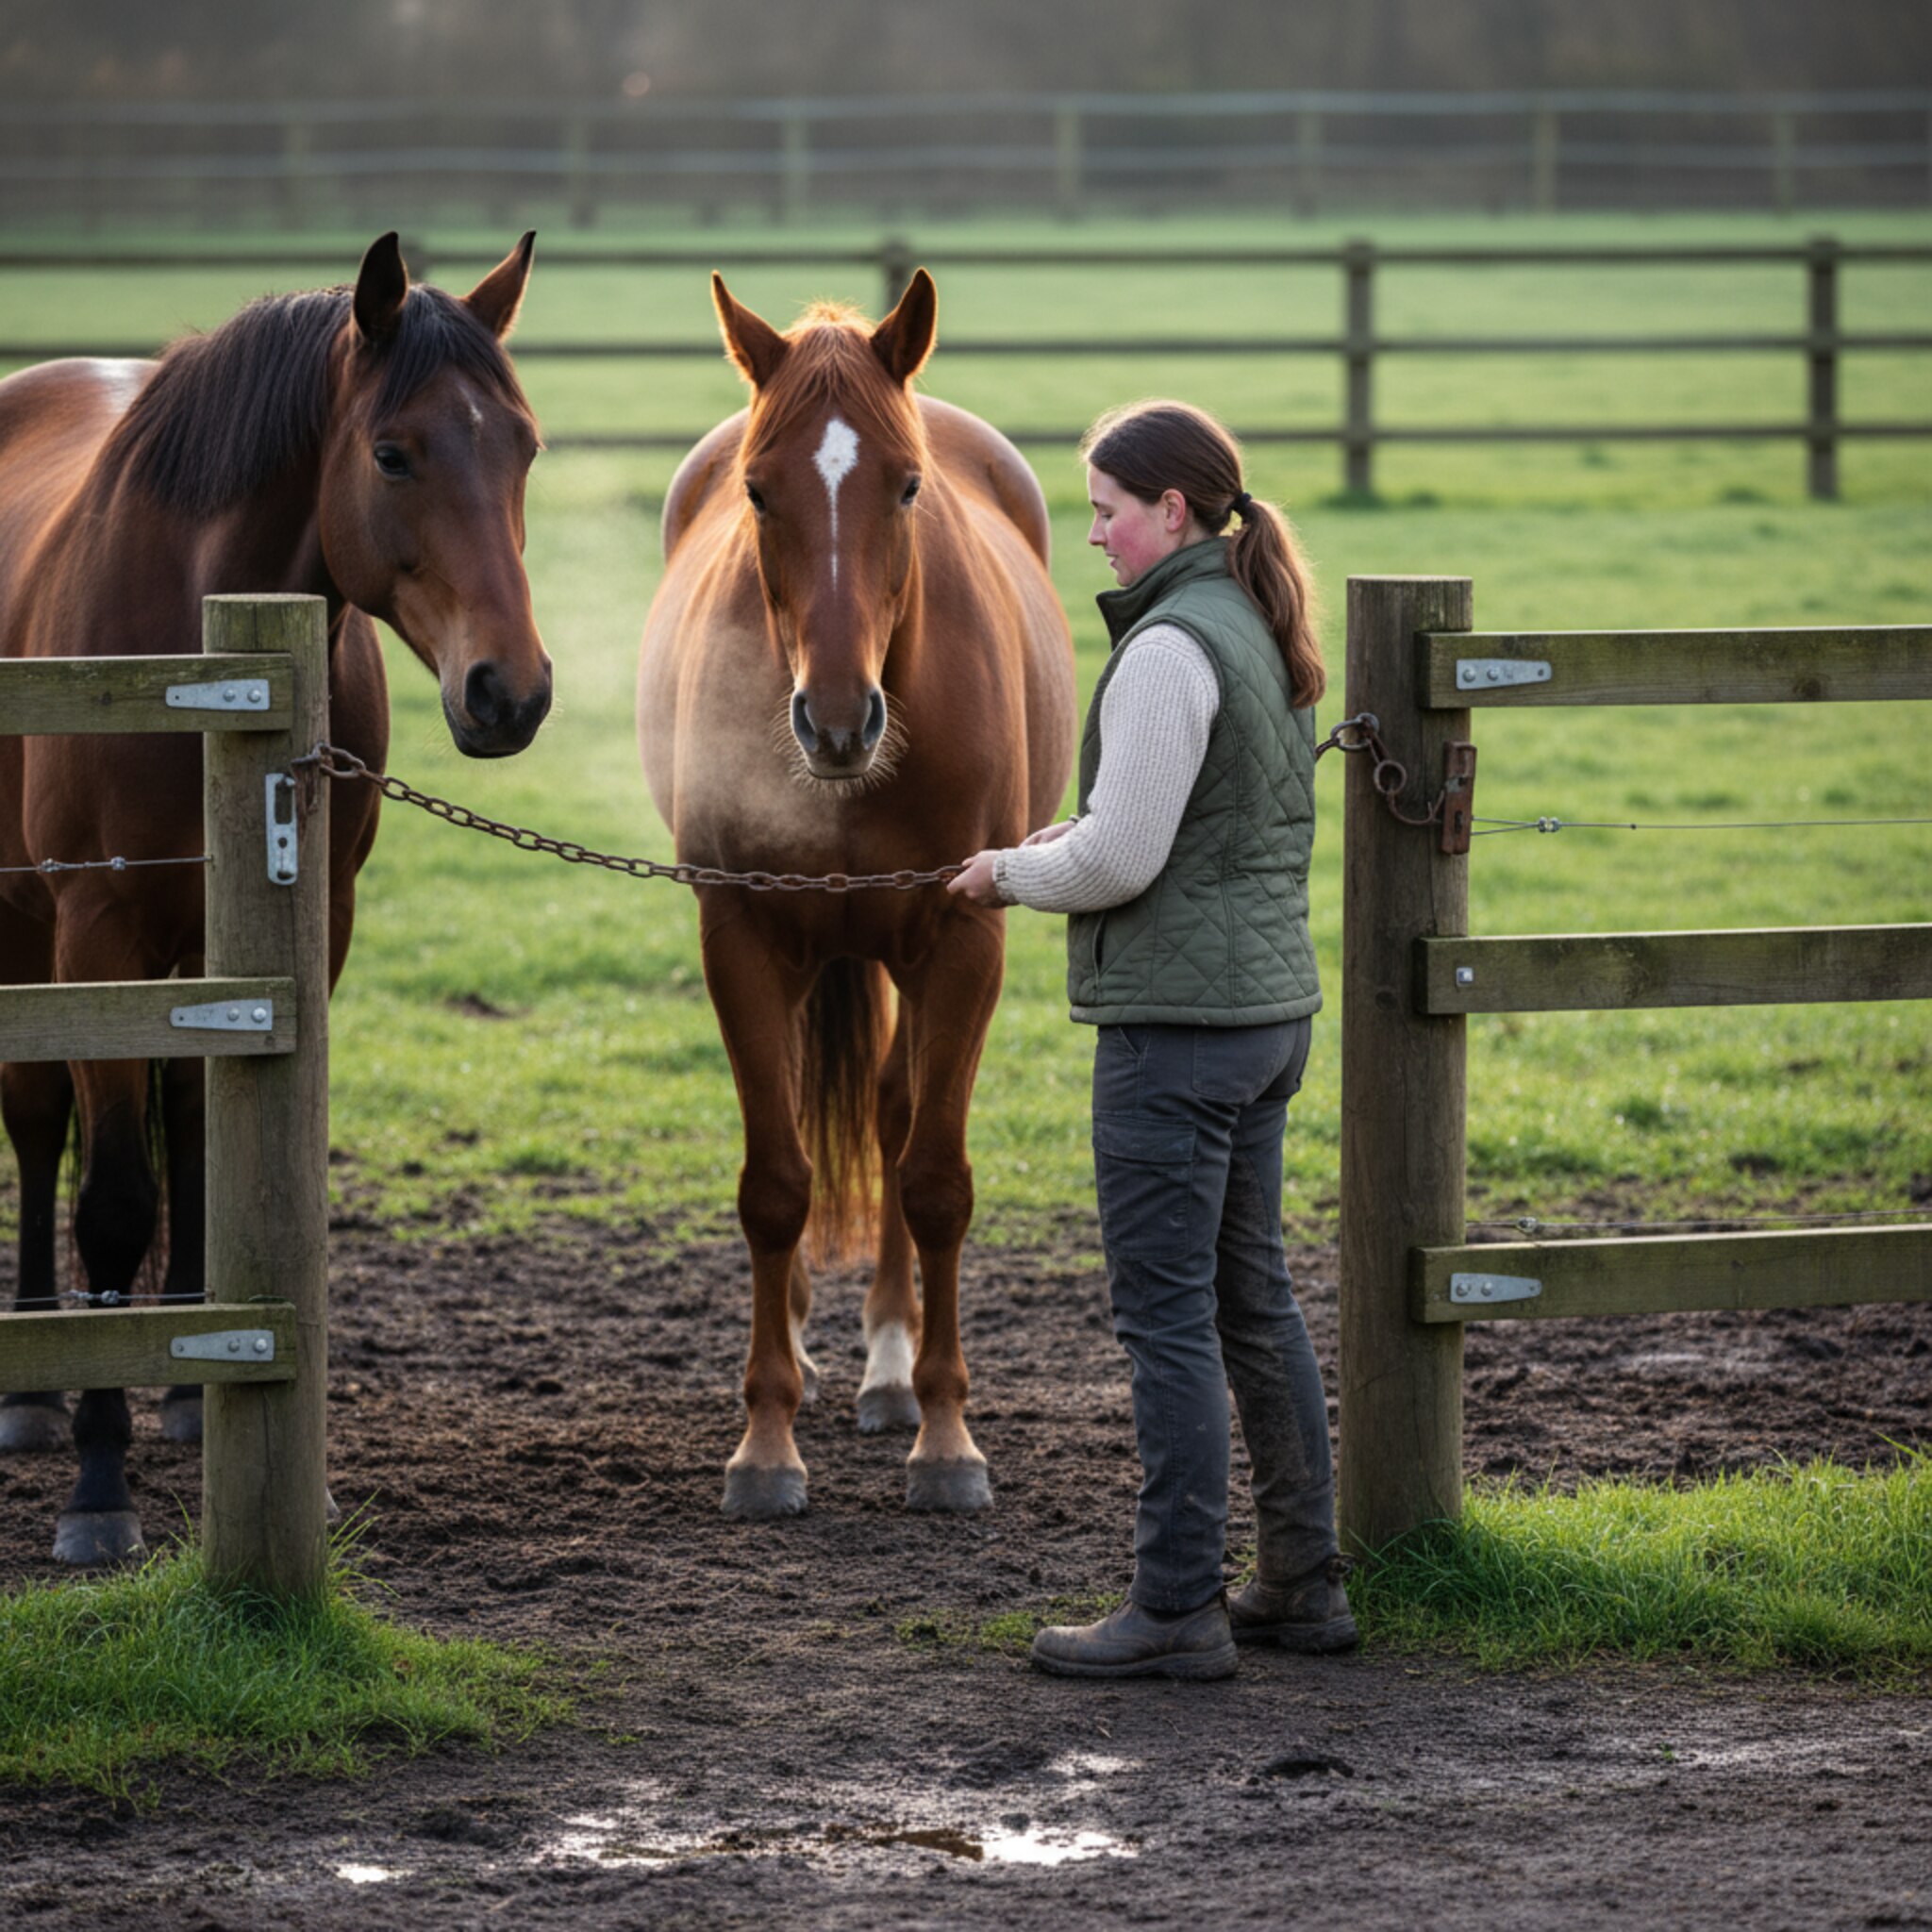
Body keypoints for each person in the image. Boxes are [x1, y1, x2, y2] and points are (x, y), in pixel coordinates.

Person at [949, 400, 1354, 1681]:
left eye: (1109, 511)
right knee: (1253, 1302)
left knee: (1169, 1322)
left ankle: (1176, 1603)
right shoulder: (1255, 622)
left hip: (1175, 1043)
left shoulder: (1173, 648)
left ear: (1171, 509)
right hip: (1264, 1021)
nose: (1095, 536)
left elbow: (1121, 856)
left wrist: (1004, 874)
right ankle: (1300, 1582)